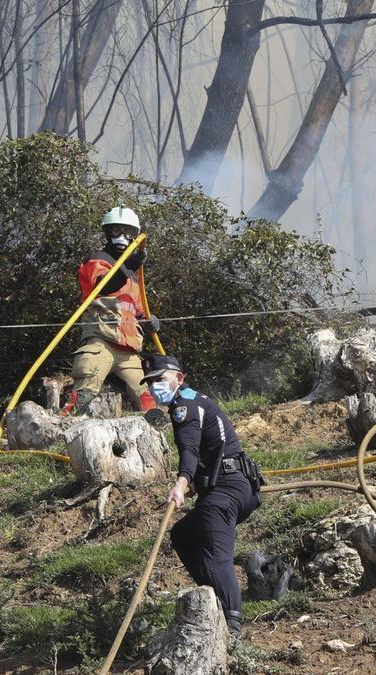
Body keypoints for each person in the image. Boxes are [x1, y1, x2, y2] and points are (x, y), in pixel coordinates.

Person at [144, 354, 264, 642]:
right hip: (230, 486)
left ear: (179, 378)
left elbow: (190, 449)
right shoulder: (194, 400)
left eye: (160, 380)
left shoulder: (184, 406)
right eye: (150, 383)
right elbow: (209, 452)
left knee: (215, 557)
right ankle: (213, 602)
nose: (154, 388)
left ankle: (232, 626)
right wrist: (195, 484)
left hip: (226, 490)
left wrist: (181, 483)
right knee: (184, 534)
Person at [67, 206, 159, 417]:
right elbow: (103, 286)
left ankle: (159, 431)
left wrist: (149, 321)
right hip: (101, 342)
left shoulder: (134, 275)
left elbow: (136, 309)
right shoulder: (98, 260)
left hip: (128, 350)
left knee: (148, 396)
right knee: (84, 392)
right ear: (107, 232)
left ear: (135, 235)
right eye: (116, 230)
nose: (122, 236)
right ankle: (63, 433)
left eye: (127, 231)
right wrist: (127, 268)